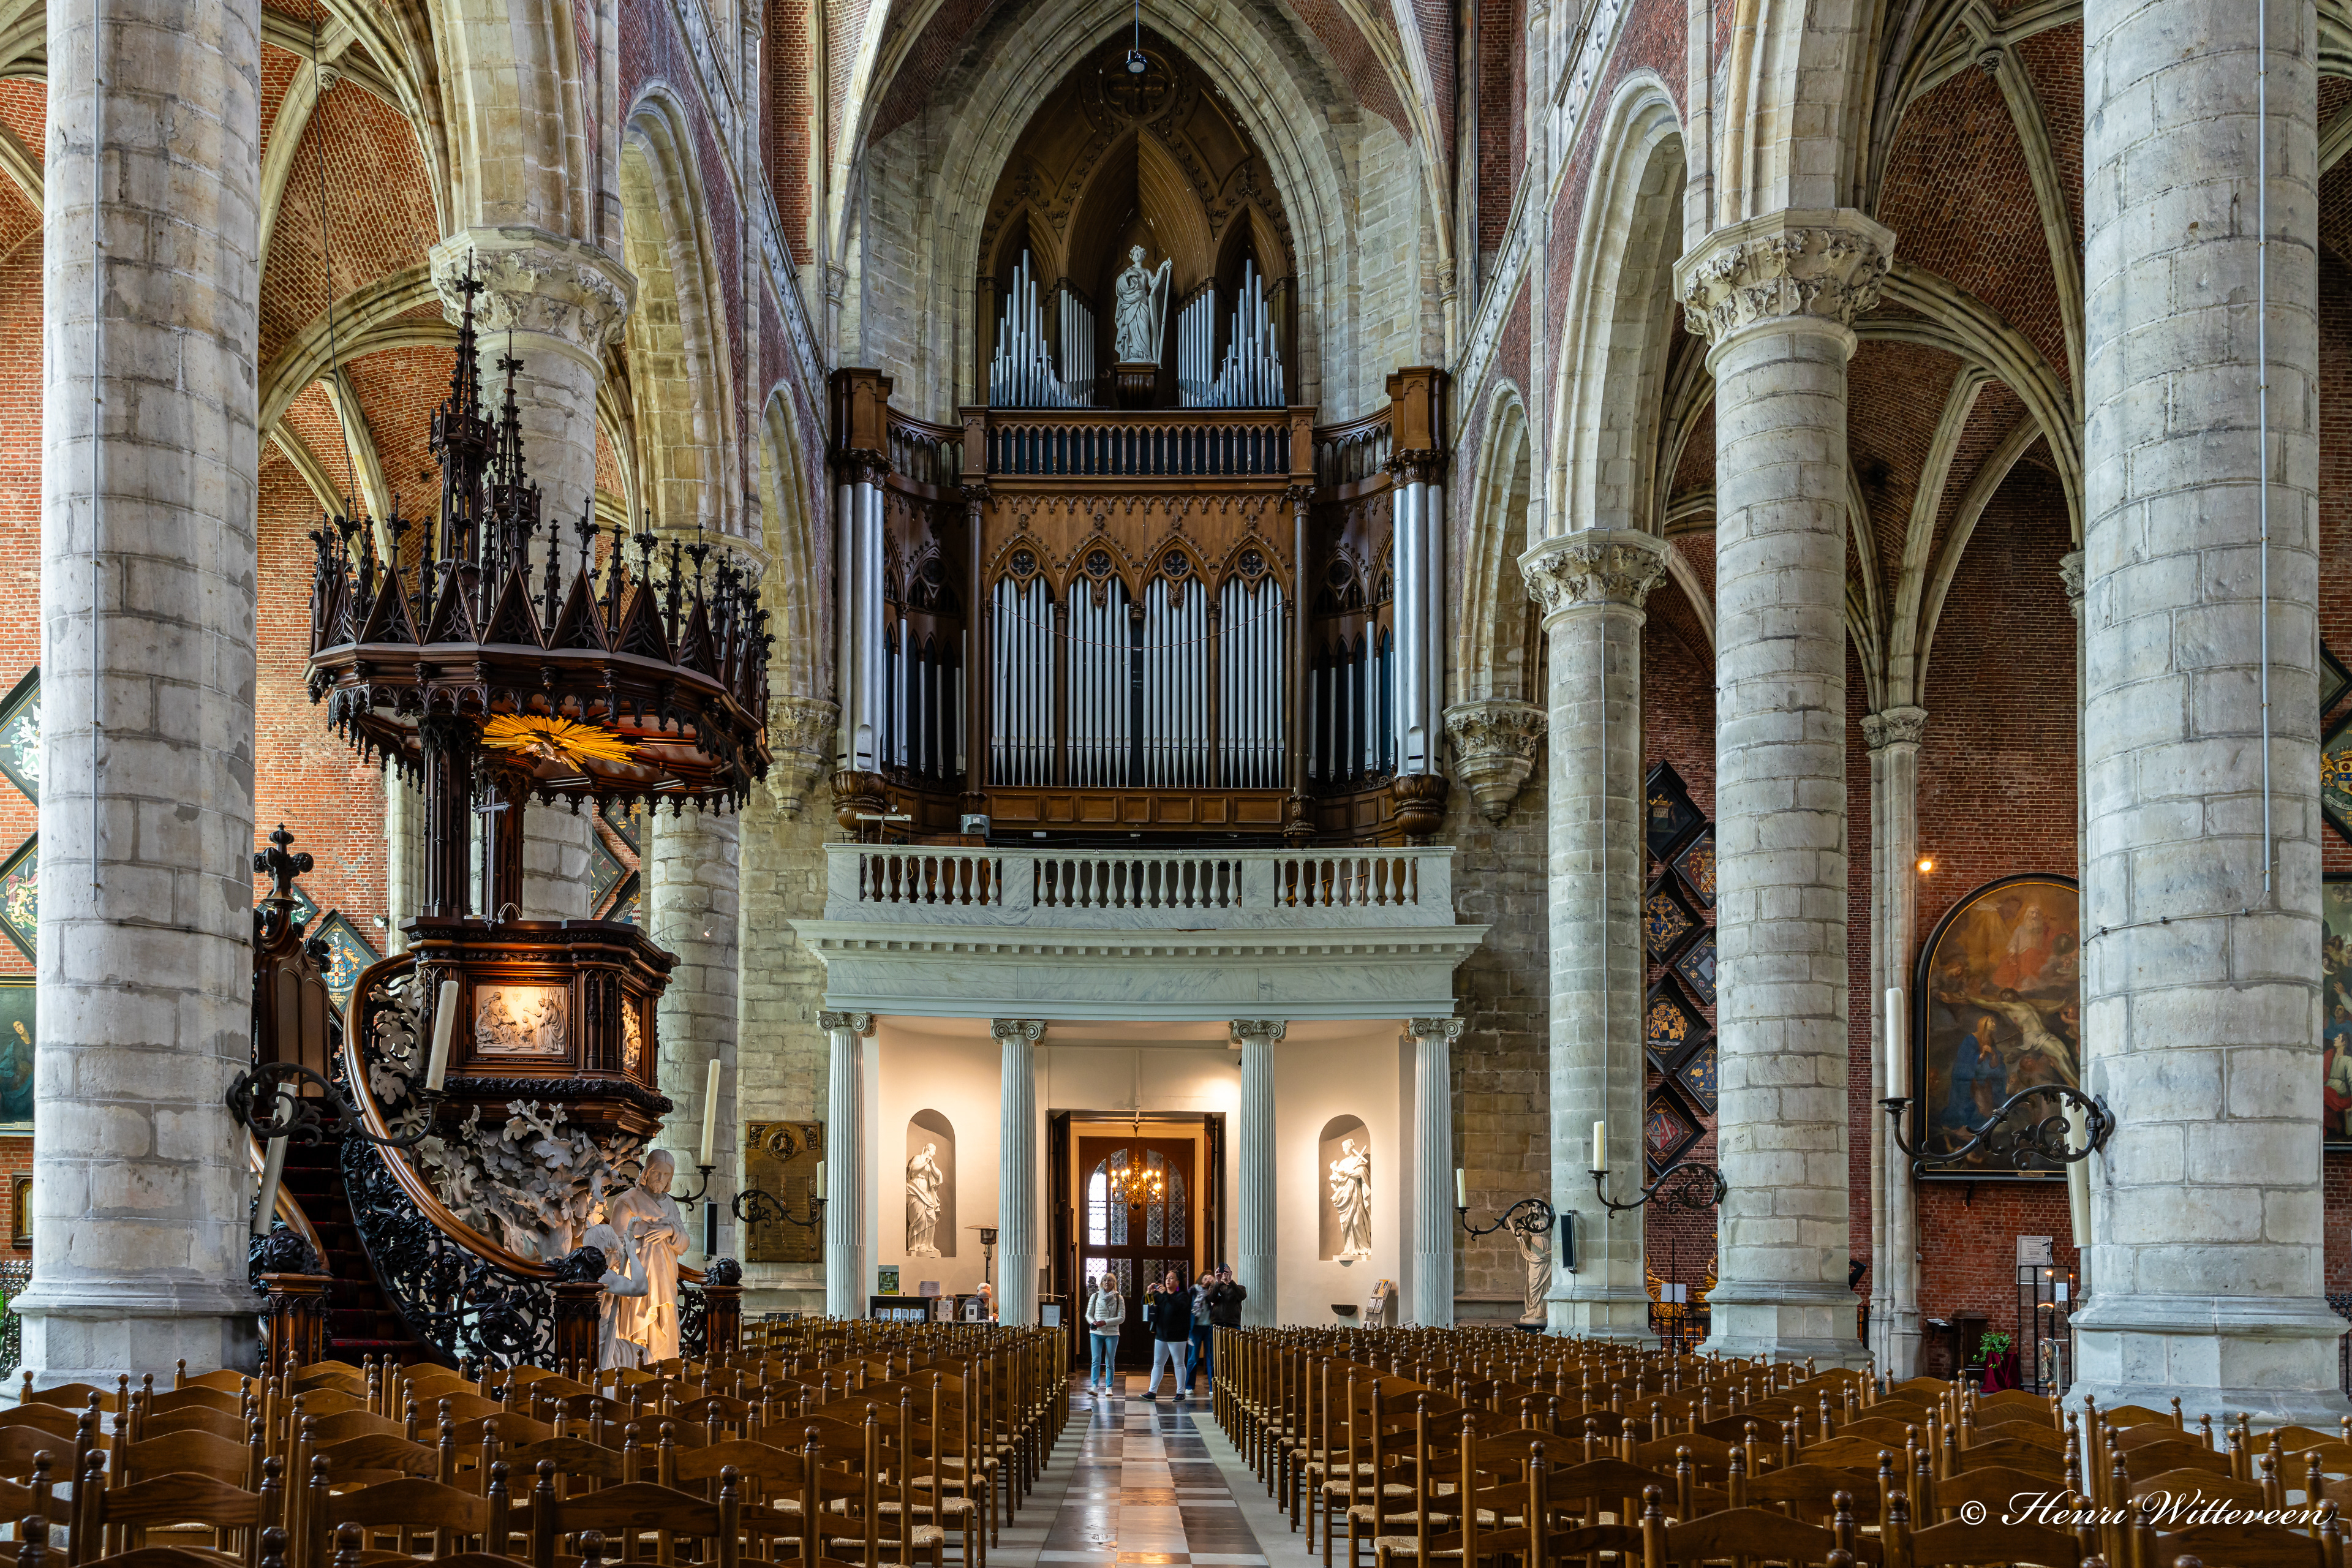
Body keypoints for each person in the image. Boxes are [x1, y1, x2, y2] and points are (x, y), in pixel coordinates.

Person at [605, 1149, 690, 1361]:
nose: (661, 1179)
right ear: (647, 1173)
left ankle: (663, 1380)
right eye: (657, 1173)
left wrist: (671, 1231)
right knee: (639, 1326)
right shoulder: (628, 1201)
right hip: (639, 1275)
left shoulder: (670, 1204)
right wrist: (640, 1235)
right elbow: (616, 1244)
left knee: (663, 1323)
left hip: (665, 1278)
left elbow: (685, 1243)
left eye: (666, 1175)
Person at [1142, 1268, 1192, 1398]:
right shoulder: (1159, 1296)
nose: (1168, 1280)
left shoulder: (1183, 1295)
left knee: (1179, 1363)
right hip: (1161, 1334)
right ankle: (1152, 1392)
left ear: (1178, 1282)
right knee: (1158, 1363)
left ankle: (1181, 1393)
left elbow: (1176, 1308)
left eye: (1171, 1278)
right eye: (1167, 1278)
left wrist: (1165, 1294)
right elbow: (1146, 1305)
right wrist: (1149, 1293)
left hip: (1177, 1336)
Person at [1085, 1273, 1125, 1392]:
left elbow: (1121, 1318)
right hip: (1096, 1333)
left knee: (1110, 1361)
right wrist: (1094, 1322)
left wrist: (1105, 1322)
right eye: (1104, 1281)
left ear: (1114, 1283)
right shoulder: (1095, 1297)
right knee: (1096, 1359)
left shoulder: (1119, 1298)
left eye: (1110, 1280)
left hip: (1112, 1333)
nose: (1107, 1283)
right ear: (1101, 1283)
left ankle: (1109, 1387)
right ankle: (1094, 1386)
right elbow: (1088, 1314)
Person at [1186, 1269, 1216, 1389]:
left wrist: (1215, 1284)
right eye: (1206, 1278)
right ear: (1201, 1278)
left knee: (1211, 1359)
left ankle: (1212, 1387)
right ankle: (1189, 1386)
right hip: (1195, 1328)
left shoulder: (1213, 1292)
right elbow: (1180, 1292)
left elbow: (1218, 1300)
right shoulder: (1193, 1290)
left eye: (1210, 1279)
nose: (1207, 1280)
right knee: (1193, 1358)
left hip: (1209, 1328)